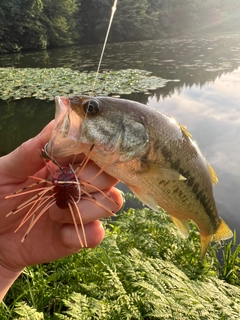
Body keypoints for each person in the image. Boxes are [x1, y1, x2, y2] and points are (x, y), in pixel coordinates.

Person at [0, 121, 123, 302]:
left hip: (64, 193)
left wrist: (4, 264)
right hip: (60, 192)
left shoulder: (64, 180)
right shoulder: (57, 181)